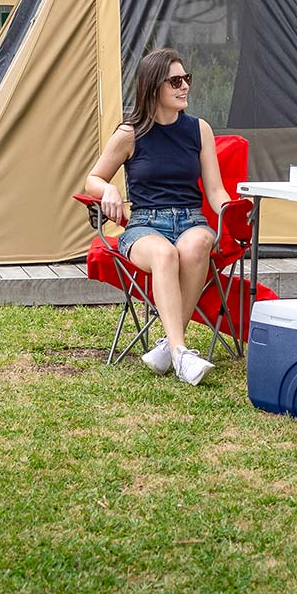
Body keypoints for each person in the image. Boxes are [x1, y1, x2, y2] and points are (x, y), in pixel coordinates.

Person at [85, 47, 232, 386]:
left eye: (186, 79)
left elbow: (215, 190)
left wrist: (230, 210)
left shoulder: (199, 130)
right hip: (145, 225)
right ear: (153, 88)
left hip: (191, 219)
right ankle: (181, 353)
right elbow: (93, 178)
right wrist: (107, 190)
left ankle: (170, 347)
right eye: (175, 81)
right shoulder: (130, 134)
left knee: (196, 246)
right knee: (165, 254)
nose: (185, 87)